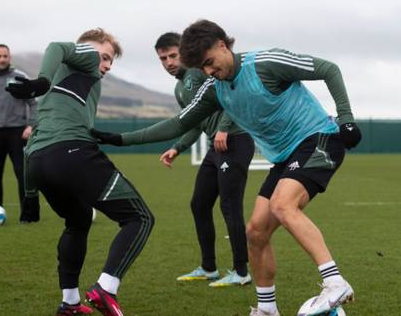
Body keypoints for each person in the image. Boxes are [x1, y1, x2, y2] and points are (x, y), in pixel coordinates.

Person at [91, 20, 362, 316]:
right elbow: (179, 123)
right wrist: (120, 139)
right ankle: (267, 309)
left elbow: (328, 69)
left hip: (318, 138)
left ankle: (335, 282)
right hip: (284, 156)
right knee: (256, 232)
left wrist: (346, 119)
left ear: (223, 45)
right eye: (201, 67)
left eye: (209, 62)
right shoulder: (214, 88)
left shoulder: (266, 63)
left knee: (283, 205)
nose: (208, 71)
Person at [6, 28, 155, 316]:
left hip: (39, 161)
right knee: (139, 217)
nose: (108, 65)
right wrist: (41, 82)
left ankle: (70, 303)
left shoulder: (79, 82)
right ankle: (105, 288)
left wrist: (29, 194)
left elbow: (35, 139)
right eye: (106, 57)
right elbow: (55, 45)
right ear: (88, 48)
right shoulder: (85, 57)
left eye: (111, 62)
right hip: (72, 154)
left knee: (79, 220)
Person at [155, 32, 255, 287]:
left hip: (235, 139)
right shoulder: (180, 88)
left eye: (173, 55)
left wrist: (224, 126)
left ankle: (241, 272)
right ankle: (209, 268)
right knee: (199, 204)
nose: (168, 62)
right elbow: (195, 122)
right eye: (163, 58)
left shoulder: (201, 72)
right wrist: (177, 148)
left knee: (230, 206)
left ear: (185, 52)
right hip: (216, 148)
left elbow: (232, 96)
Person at [0, 44, 40, 223]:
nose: (2, 59)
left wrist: (31, 126)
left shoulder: (20, 77)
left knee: (22, 174)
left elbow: (33, 102)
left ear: (9, 58)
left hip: (18, 132)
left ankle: (27, 215)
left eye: (5, 56)